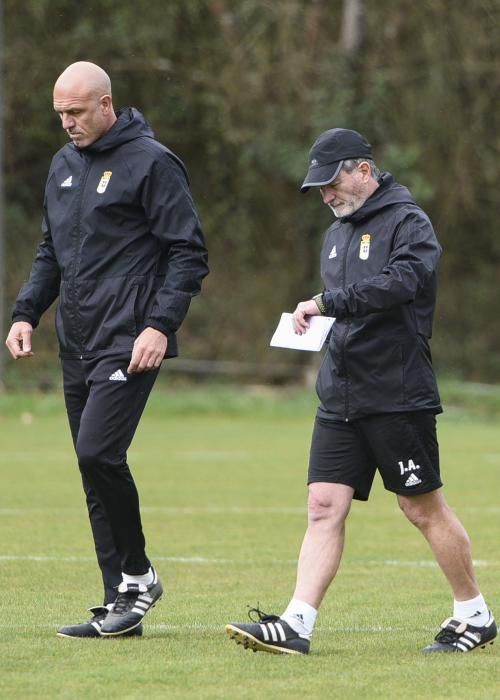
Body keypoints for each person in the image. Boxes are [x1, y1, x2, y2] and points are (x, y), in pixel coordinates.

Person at [225, 128, 496, 655]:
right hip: (340, 394)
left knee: (422, 508)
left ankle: (474, 613)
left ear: (363, 171)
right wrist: (316, 324)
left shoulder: (409, 222)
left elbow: (402, 284)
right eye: (319, 188)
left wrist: (327, 303)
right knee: (323, 504)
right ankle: (296, 624)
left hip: (396, 392)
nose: (326, 195)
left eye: (332, 182)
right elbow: (347, 308)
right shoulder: (336, 233)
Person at [5, 61, 209, 638]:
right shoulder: (63, 165)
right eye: (59, 114)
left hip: (130, 339)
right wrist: (26, 312)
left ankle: (138, 575)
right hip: (78, 339)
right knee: (92, 470)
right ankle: (118, 600)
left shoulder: (152, 163)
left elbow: (189, 253)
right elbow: (51, 251)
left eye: (75, 112)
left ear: (105, 104)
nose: (66, 123)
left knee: (98, 452)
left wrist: (160, 325)